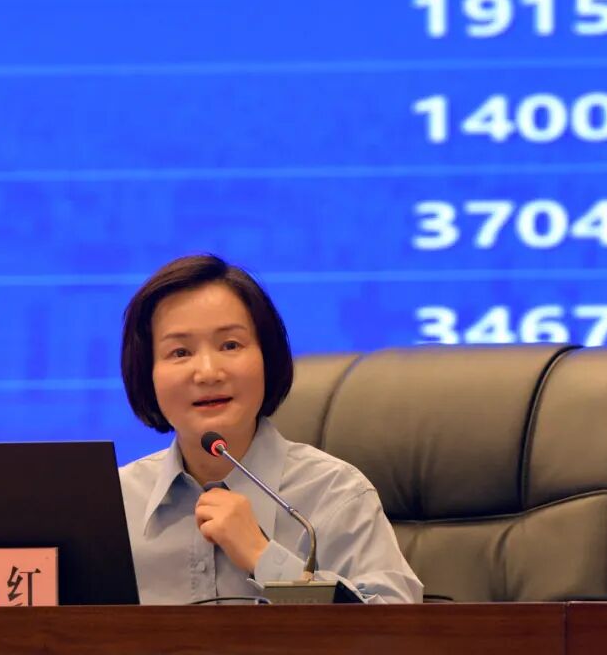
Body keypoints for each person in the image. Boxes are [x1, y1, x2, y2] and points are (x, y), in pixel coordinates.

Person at [118, 254, 423, 605]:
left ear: (268, 357)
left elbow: (396, 627)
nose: (208, 372)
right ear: (146, 374)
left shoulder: (335, 493)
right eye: (180, 352)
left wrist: (264, 558)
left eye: (230, 345)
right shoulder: (117, 506)